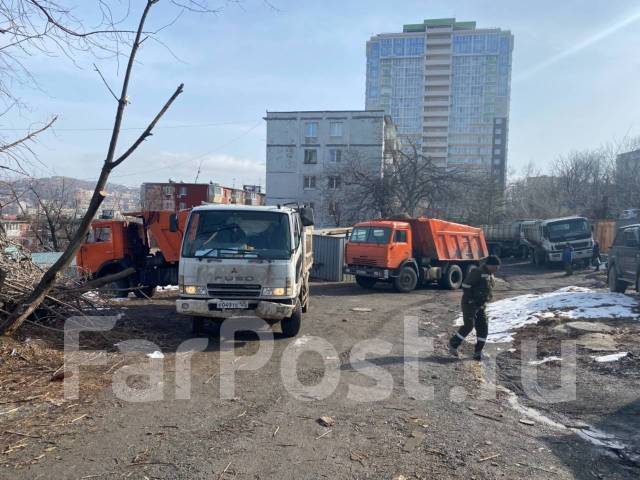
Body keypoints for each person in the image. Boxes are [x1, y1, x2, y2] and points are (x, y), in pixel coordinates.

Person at [448, 255, 501, 361]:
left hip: (481, 305)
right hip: (470, 304)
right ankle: (453, 344)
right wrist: (471, 300)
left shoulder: (490, 275)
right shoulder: (478, 272)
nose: (497, 269)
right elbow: (466, 285)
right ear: (489, 265)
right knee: (469, 326)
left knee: (483, 327)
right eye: (495, 266)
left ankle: (478, 352)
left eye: (498, 267)